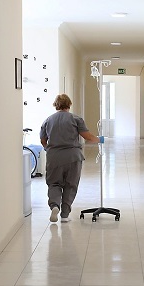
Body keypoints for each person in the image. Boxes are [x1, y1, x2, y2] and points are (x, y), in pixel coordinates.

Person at [39, 94, 101, 222]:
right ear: (69, 104)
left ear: (56, 105)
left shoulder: (48, 120)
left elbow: (43, 140)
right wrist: (100, 139)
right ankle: (65, 215)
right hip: (73, 157)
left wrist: (48, 149)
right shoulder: (75, 119)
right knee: (71, 185)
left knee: (54, 183)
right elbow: (88, 137)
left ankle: (55, 206)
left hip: (54, 157)